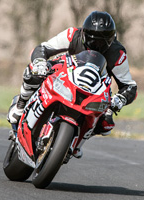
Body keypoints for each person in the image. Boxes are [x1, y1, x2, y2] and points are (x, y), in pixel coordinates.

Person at [8, 11, 137, 158]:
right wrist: (40, 63)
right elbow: (42, 48)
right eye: (92, 40)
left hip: (94, 89)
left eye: (102, 42)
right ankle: (20, 106)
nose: (96, 45)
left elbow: (130, 86)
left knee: (106, 123)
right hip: (64, 72)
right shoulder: (71, 34)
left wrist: (119, 99)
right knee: (34, 72)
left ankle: (77, 143)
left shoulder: (117, 53)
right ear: (83, 33)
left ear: (111, 40)